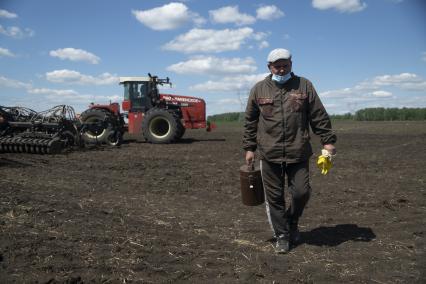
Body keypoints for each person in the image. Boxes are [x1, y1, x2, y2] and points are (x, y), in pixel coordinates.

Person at [243, 48, 337, 254]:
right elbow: (250, 121)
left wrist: (328, 141)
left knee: (301, 192)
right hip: (269, 152)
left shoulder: (304, 85)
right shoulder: (259, 89)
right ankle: (283, 236)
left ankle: (292, 221)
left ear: (291, 64)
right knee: (274, 198)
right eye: (277, 66)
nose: (282, 69)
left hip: (299, 150)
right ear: (269, 67)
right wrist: (249, 147)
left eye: (285, 65)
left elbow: (318, 114)